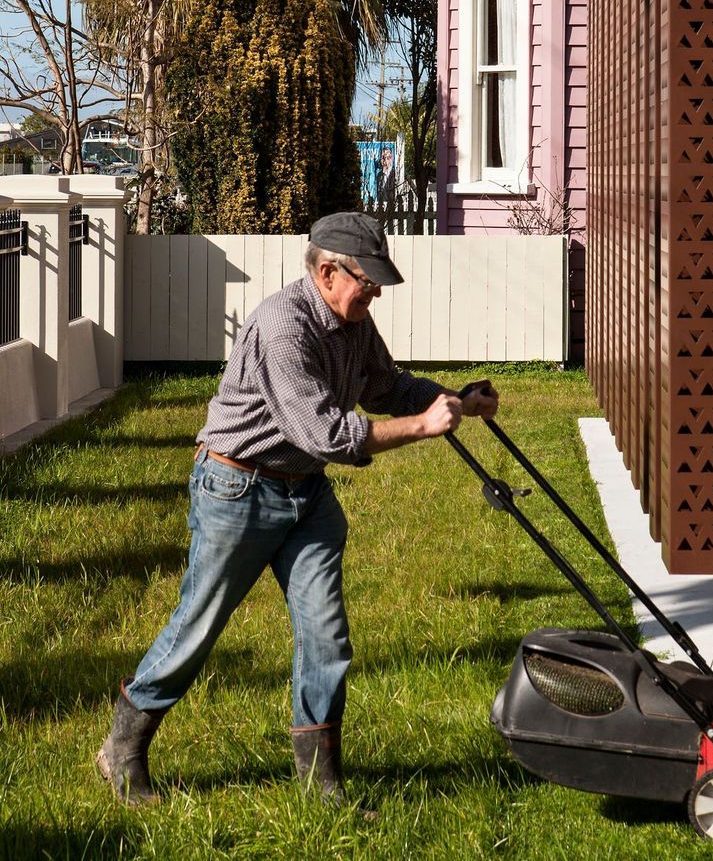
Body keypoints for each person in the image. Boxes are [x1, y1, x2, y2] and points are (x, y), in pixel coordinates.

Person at [96, 211, 499, 806]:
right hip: (238, 489)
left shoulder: (352, 321)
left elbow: (386, 386)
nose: (376, 293)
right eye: (368, 281)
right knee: (198, 628)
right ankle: (123, 746)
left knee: (327, 636)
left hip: (305, 494)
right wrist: (421, 427)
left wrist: (453, 398)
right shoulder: (283, 326)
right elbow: (325, 434)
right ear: (328, 272)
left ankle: (320, 783)